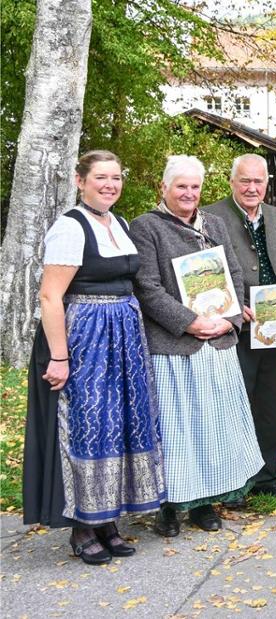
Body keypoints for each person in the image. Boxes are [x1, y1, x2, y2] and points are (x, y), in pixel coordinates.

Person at [23, 150, 166, 565]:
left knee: (118, 423)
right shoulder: (70, 227)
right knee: (89, 425)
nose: (110, 184)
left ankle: (107, 521)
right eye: (101, 177)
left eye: (116, 177)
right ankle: (83, 527)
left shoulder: (118, 224)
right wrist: (59, 357)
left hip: (123, 336)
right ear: (79, 180)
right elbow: (50, 296)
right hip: (84, 338)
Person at [130, 155, 264, 537]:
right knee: (176, 429)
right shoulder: (146, 228)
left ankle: (205, 501)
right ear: (165, 188)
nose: (189, 194)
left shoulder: (215, 225)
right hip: (174, 346)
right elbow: (148, 287)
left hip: (217, 342)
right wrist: (191, 323)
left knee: (211, 425)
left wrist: (229, 318)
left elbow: (234, 276)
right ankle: (169, 505)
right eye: (181, 186)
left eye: (195, 187)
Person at [203, 154, 276, 500]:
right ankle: (233, 481)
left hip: (275, 328)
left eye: (258, 181)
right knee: (235, 403)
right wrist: (232, 308)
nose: (252, 188)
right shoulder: (211, 217)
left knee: (271, 404)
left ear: (266, 184)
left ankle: (267, 477)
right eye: (245, 181)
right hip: (231, 328)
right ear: (232, 183)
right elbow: (206, 276)